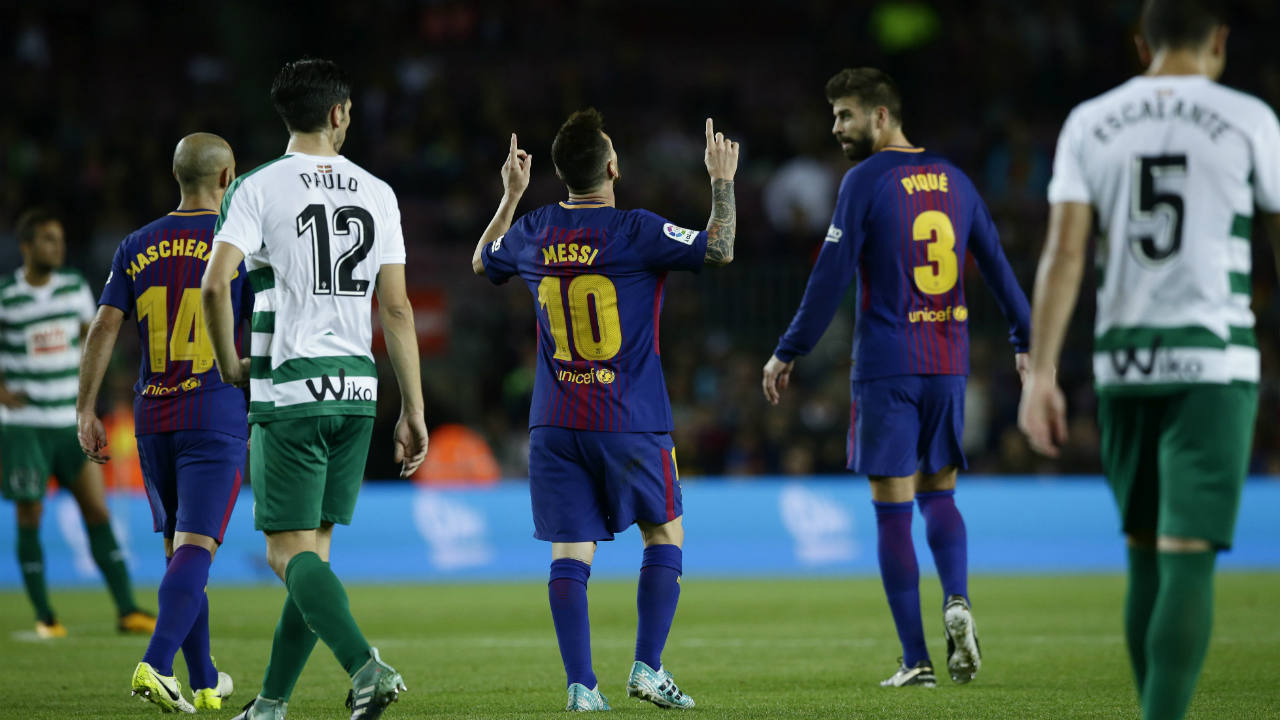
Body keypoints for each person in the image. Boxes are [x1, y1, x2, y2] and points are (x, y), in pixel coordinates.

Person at [1018, 2, 1280, 717]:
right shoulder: (1250, 118)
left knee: (1142, 553)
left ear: (1143, 45)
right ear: (1220, 40)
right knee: (1187, 555)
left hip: (1122, 364)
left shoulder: (1090, 121)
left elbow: (1065, 252)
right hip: (1213, 363)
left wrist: (1040, 374)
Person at [761, 68, 1031, 688]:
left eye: (845, 116)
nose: (836, 129)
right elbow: (995, 262)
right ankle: (956, 599)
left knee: (892, 512)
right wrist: (1025, 340)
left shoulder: (864, 182)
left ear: (881, 117)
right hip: (948, 363)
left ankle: (916, 660)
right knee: (941, 493)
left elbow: (830, 275)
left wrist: (788, 349)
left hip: (887, 366)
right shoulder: (958, 182)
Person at [472, 110, 738, 710]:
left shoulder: (536, 226)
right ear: (613, 168)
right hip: (629, 417)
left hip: (555, 421)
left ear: (562, 175)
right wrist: (721, 179)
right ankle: (647, 668)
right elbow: (719, 249)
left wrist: (510, 197)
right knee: (663, 531)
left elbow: (481, 261)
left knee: (570, 550)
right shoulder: (634, 229)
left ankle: (581, 686)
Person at [202, 58, 428, 720]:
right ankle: (270, 705)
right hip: (357, 392)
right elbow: (397, 310)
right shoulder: (378, 192)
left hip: (291, 389)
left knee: (284, 552)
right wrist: (412, 407)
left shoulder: (257, 187)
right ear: (337, 114)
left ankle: (365, 666)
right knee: (314, 557)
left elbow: (217, 283)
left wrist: (228, 362)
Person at [77, 132, 247, 712]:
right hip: (215, 409)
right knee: (197, 546)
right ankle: (156, 662)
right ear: (227, 179)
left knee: (180, 548)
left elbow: (103, 327)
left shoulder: (137, 243)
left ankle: (204, 680)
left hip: (153, 416)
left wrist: (85, 407)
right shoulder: (239, 243)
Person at [0, 207, 155, 639]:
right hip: (24, 426)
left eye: (61, 238)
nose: (58, 246)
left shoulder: (73, 288)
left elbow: (95, 340)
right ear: (27, 246)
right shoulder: (5, 296)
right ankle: (45, 617)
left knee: (97, 510)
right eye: (49, 239)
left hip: (68, 422)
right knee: (29, 514)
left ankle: (127, 610)